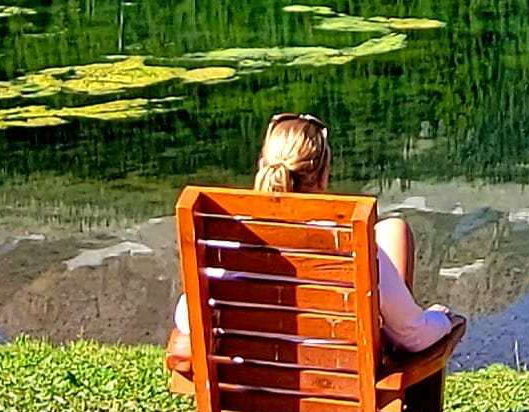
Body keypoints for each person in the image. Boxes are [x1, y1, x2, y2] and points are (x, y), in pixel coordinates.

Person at [172, 112, 458, 355]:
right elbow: (414, 338)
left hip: (252, 400)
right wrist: (443, 319)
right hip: (338, 401)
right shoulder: (347, 244)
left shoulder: (223, 241)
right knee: (393, 235)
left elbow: (186, 320)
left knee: (391, 230)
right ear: (322, 178)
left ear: (262, 166)